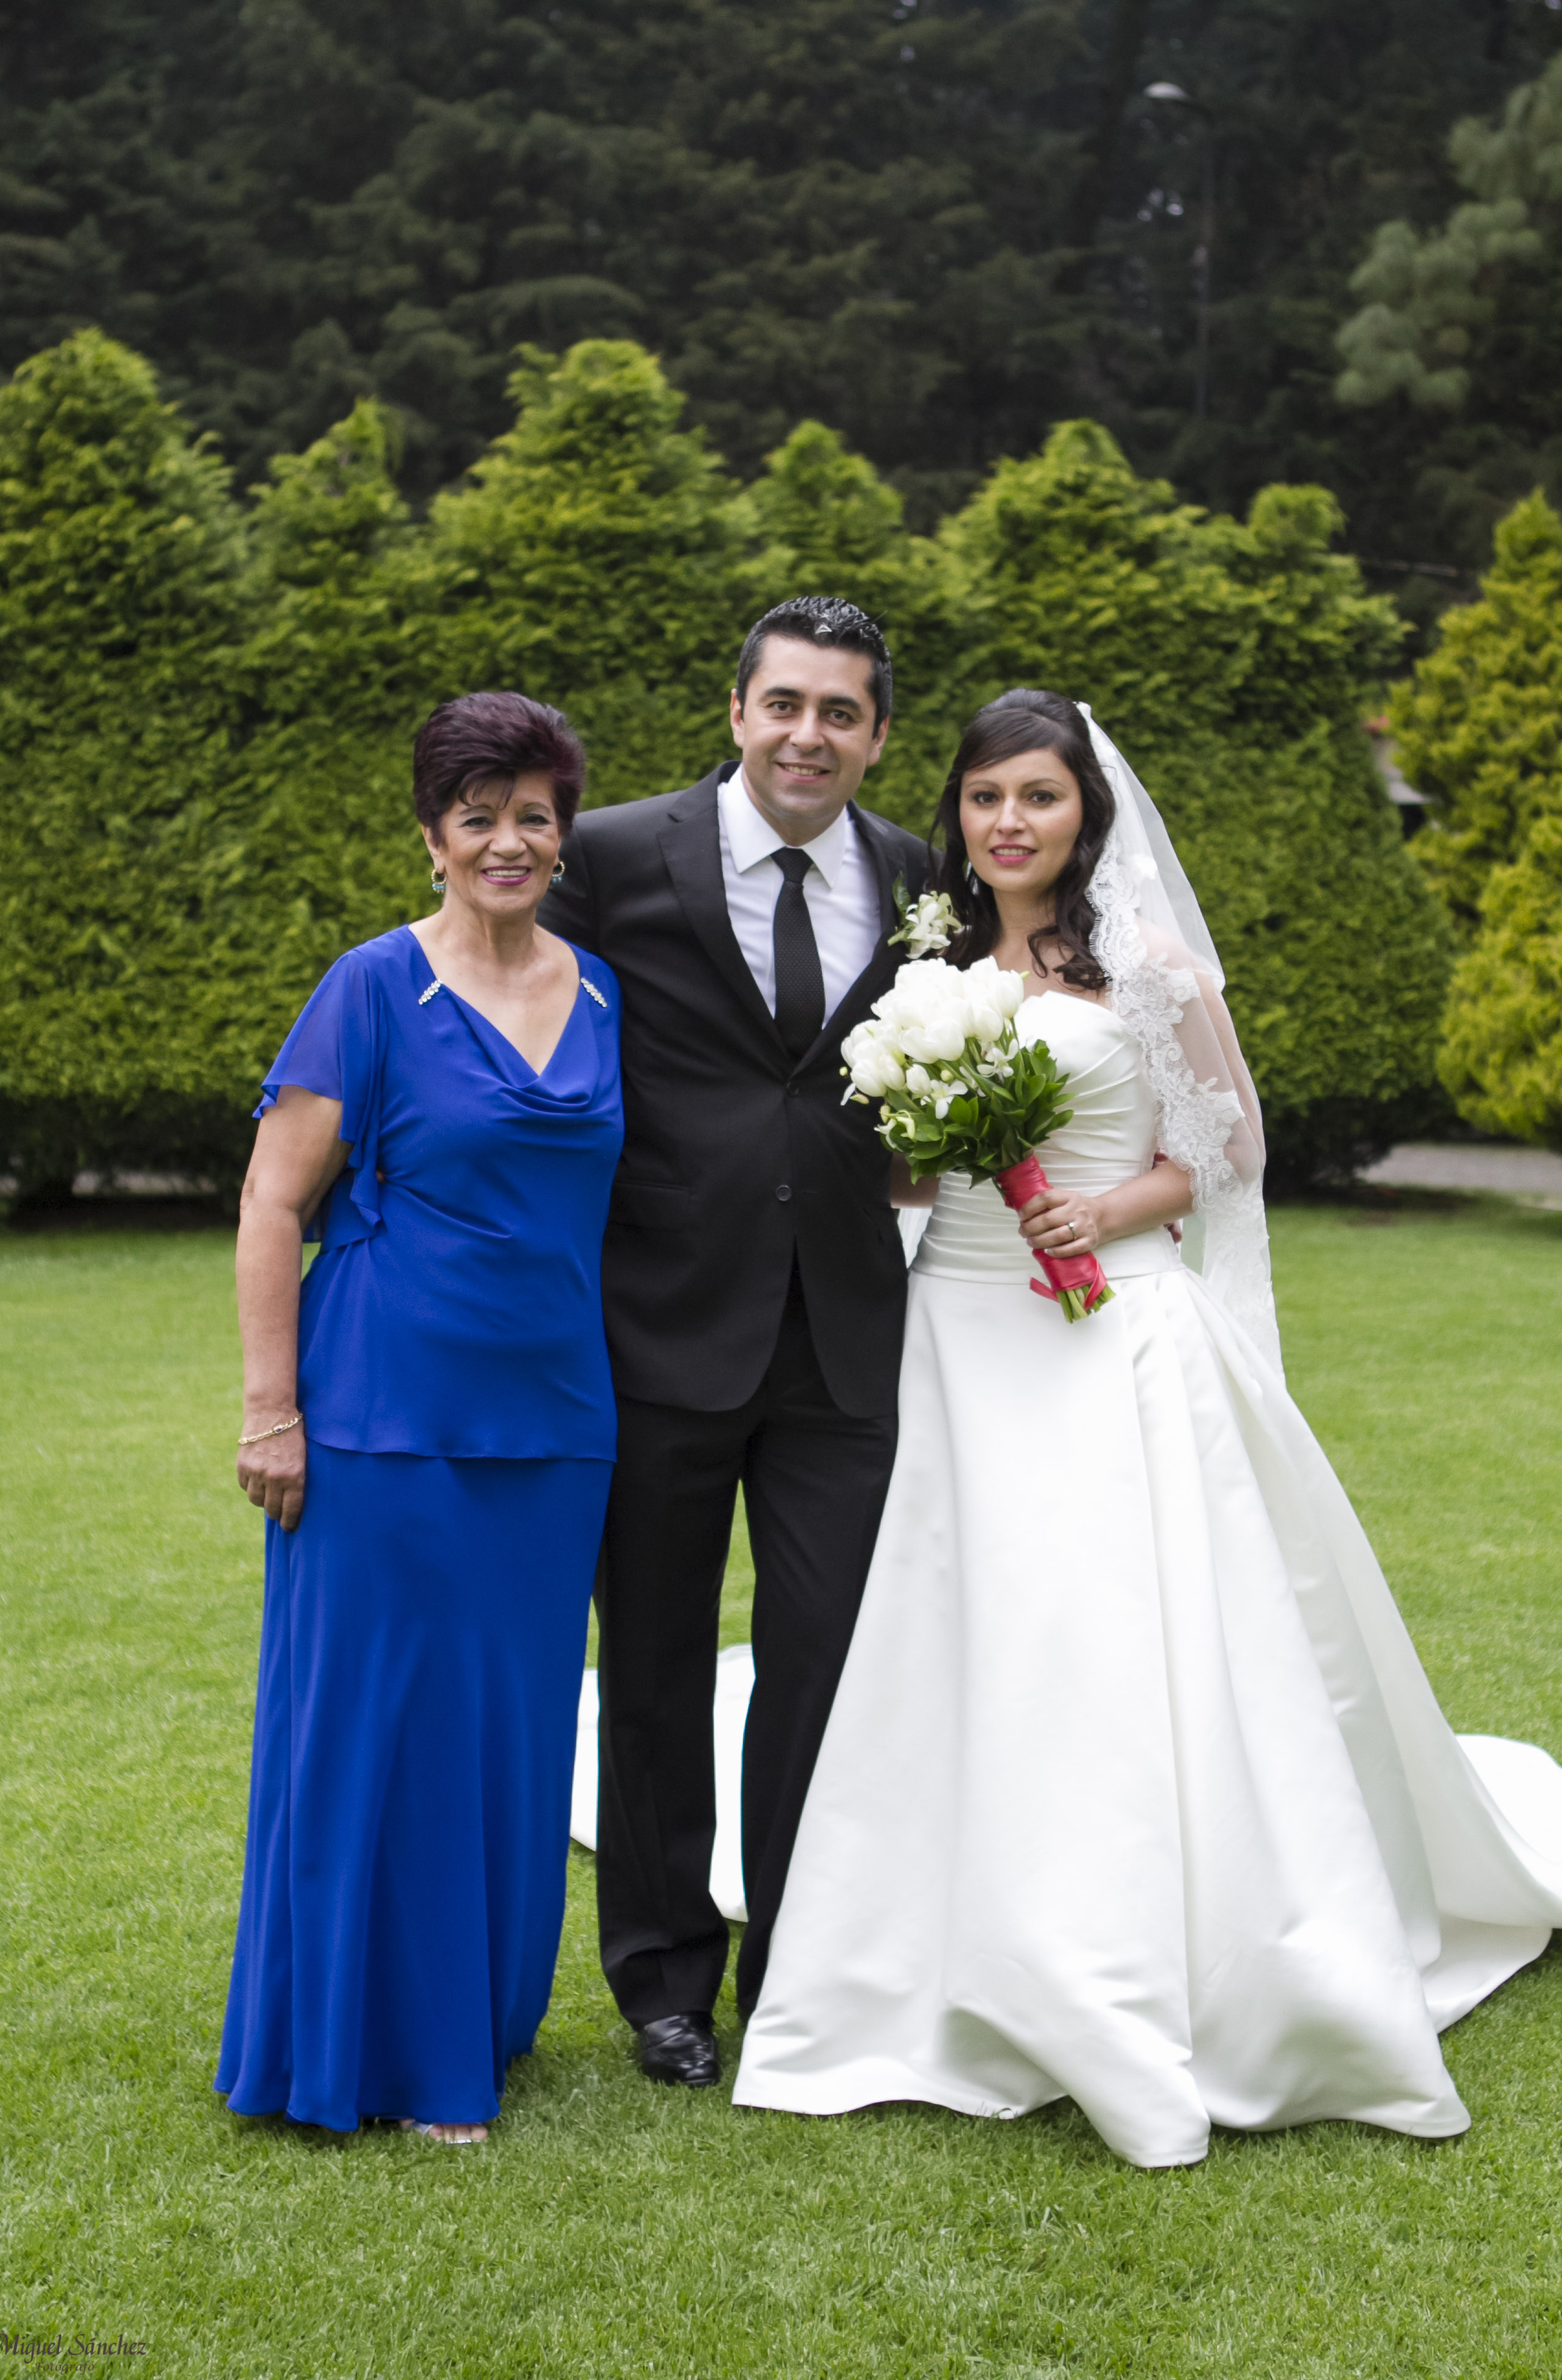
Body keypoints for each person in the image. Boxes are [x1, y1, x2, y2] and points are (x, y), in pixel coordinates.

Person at [734, 689, 1562, 2167]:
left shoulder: (1154, 970)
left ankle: (1144, 1943)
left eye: (1038, 796)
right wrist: (926, 1147)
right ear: (958, 813)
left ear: (1086, 812)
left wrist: (1100, 1212)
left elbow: (1225, 1150)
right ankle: (937, 1936)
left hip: (1108, 1328)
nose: (1009, 823)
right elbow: (913, 1175)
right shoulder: (930, 966)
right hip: (957, 1330)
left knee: (1107, 1627)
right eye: (986, 797)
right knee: (958, 1619)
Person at [215, 690, 622, 2146]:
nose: (509, 842)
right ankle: (367, 2051)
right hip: (383, 1417)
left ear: (562, 837)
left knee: (510, 1731)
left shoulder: (601, 990)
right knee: (382, 1727)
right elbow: (273, 1201)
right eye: (478, 818)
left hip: (557, 1426)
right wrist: (273, 1411)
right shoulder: (372, 986)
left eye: (533, 817)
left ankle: (478, 2024)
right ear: (433, 839)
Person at [538, 595, 931, 2086]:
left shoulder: (918, 876)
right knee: (652, 1665)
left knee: (825, 1663)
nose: (807, 736)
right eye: (786, 705)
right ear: (737, 711)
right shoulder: (613, 856)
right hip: (658, 1323)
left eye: (840, 713)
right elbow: (533, 1039)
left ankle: (798, 1973)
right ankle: (663, 1983)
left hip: (847, 1337)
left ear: (876, 736)